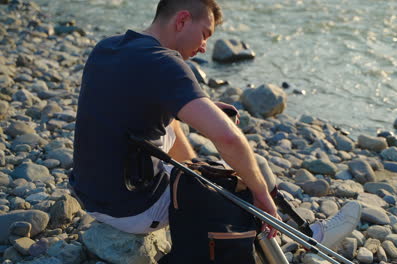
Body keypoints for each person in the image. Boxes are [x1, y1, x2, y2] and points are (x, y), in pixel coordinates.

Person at [71, 0, 360, 251]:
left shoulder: (108, 47)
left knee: (174, 127)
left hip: (91, 194)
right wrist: (261, 194)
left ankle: (192, 177)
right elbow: (228, 138)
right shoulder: (164, 62)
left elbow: (148, 109)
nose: (204, 46)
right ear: (182, 20)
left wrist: (196, 166)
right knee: (254, 168)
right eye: (205, 34)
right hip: (132, 208)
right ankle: (309, 237)